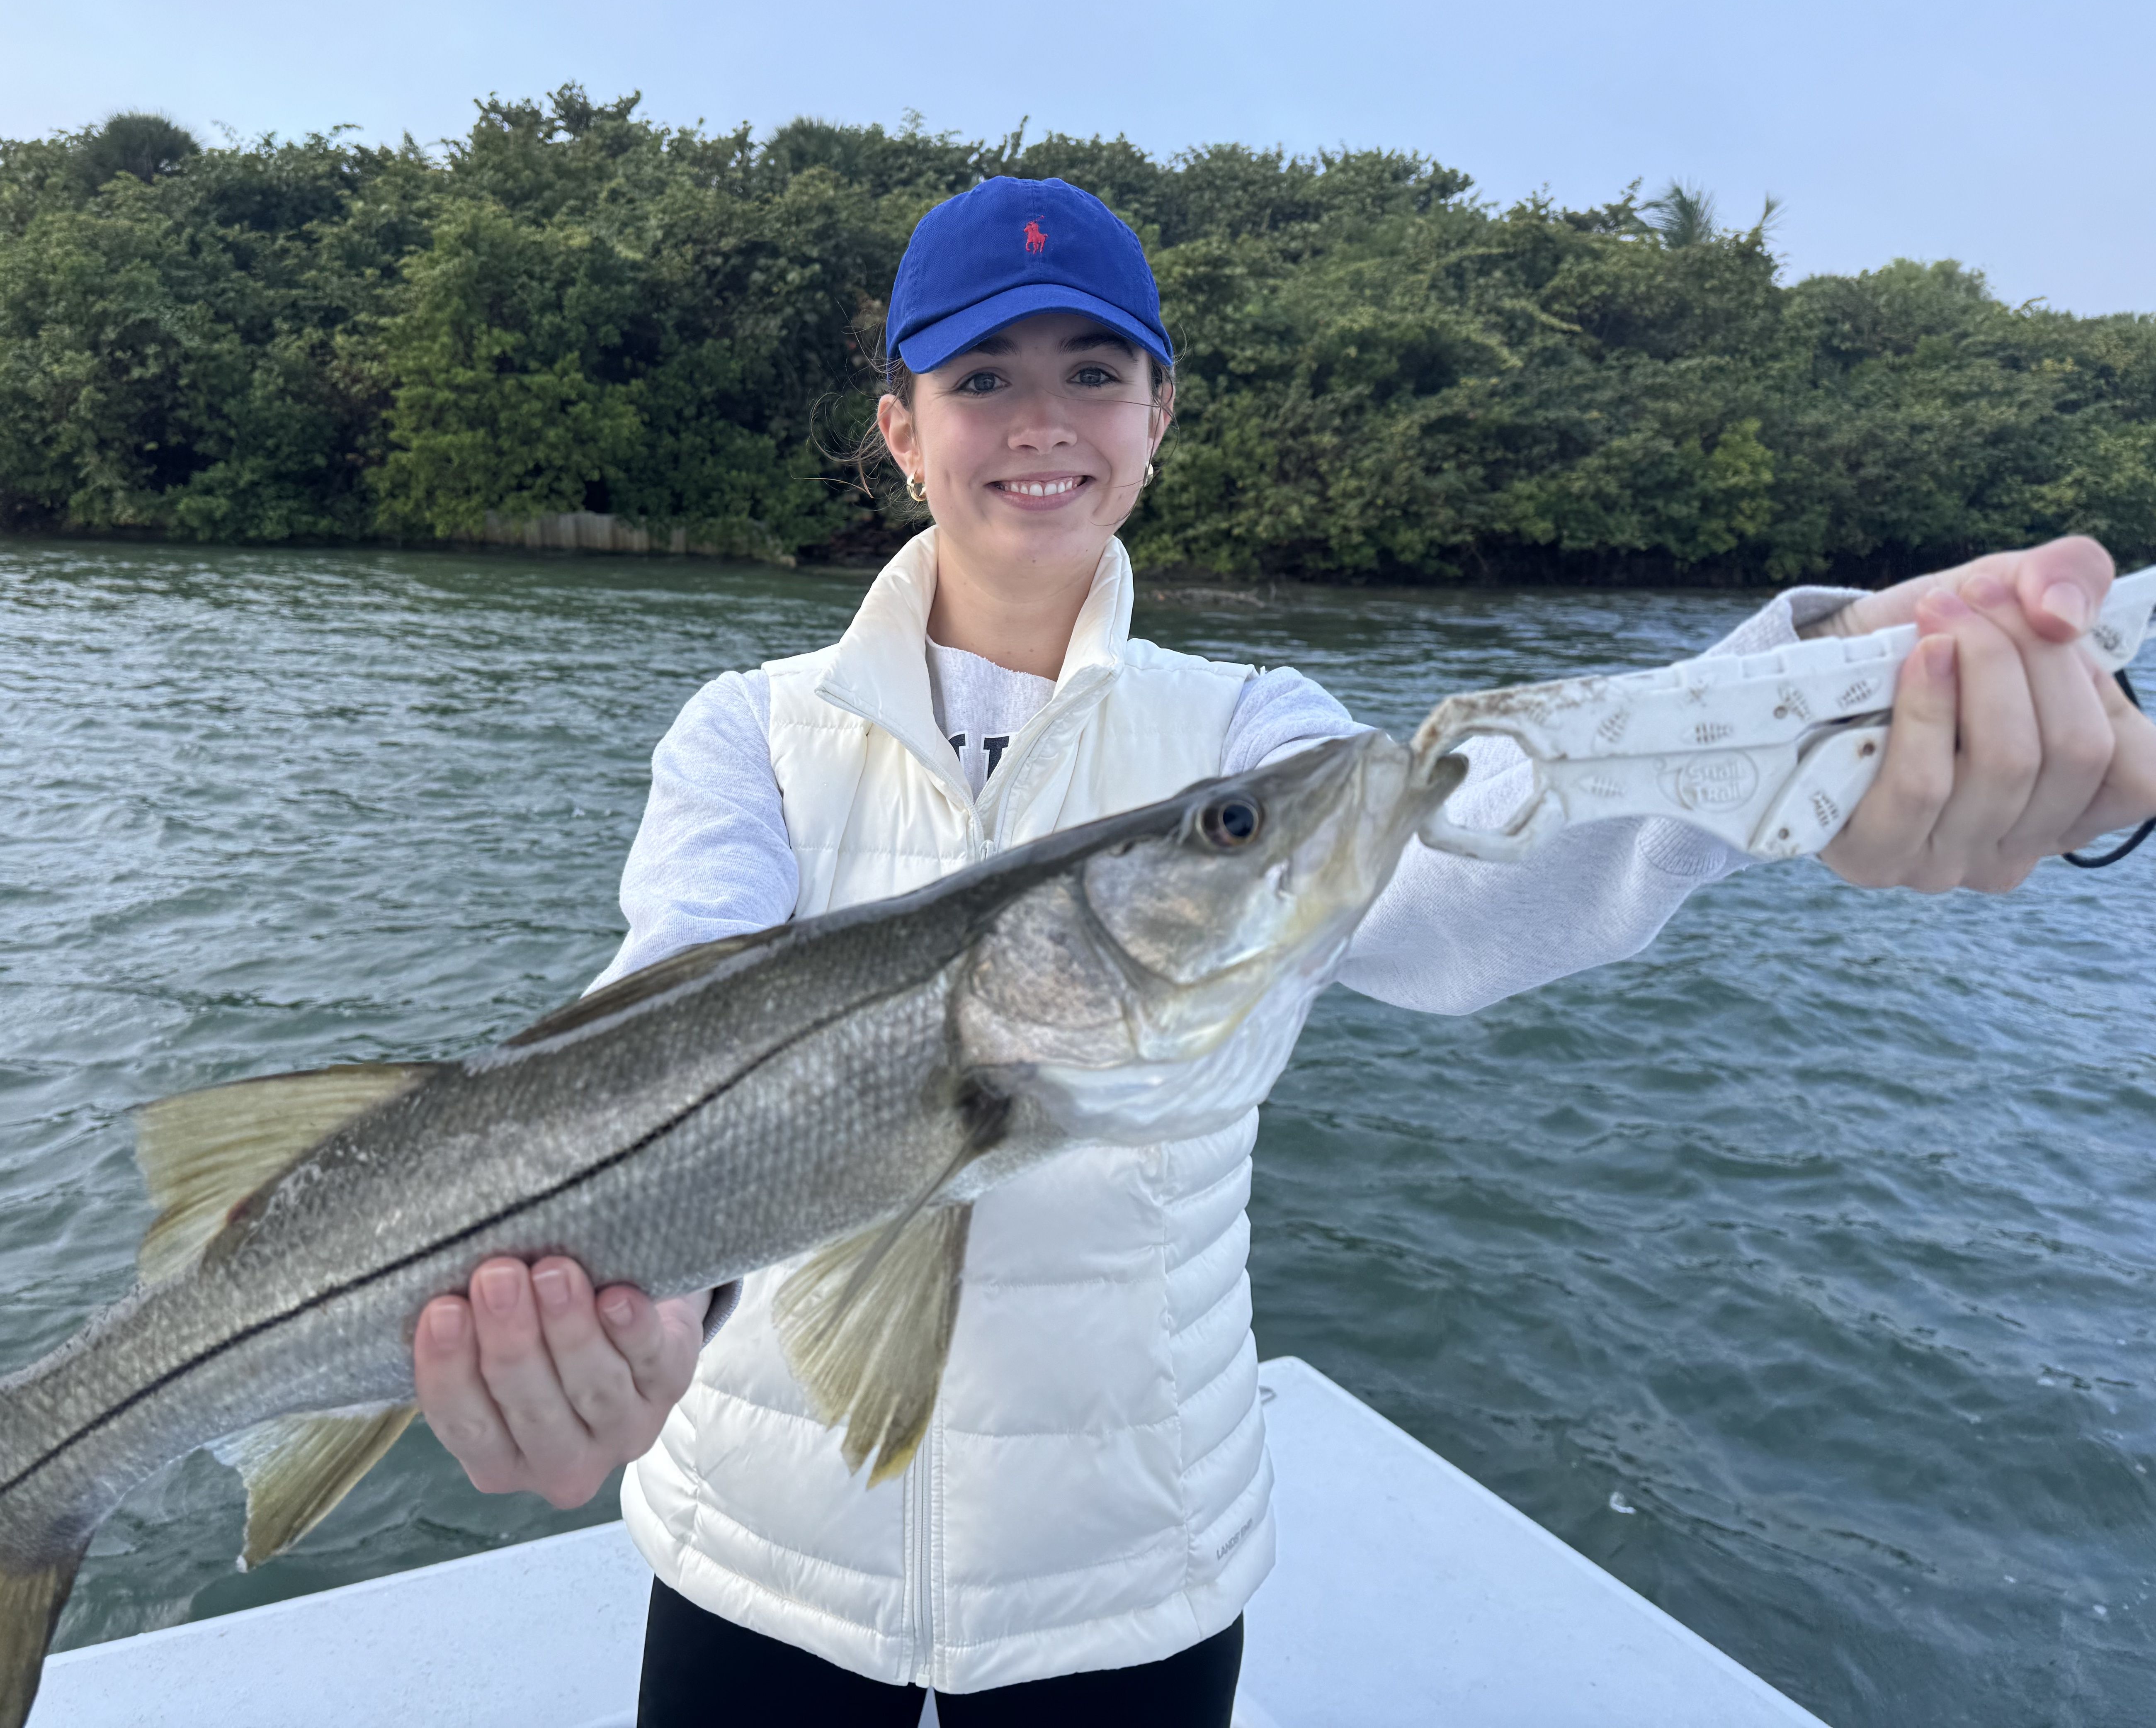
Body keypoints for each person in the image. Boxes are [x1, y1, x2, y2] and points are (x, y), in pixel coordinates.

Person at [407, 177, 2156, 1724]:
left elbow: (1480, 867)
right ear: (900, 430)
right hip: (755, 1562)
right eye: (980, 377)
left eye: (1094, 372)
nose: (1043, 421)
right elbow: (649, 1058)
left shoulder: (1260, 740)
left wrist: (1827, 695)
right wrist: (626, 1326)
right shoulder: (746, 731)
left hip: (1129, 1587)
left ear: (1161, 417)